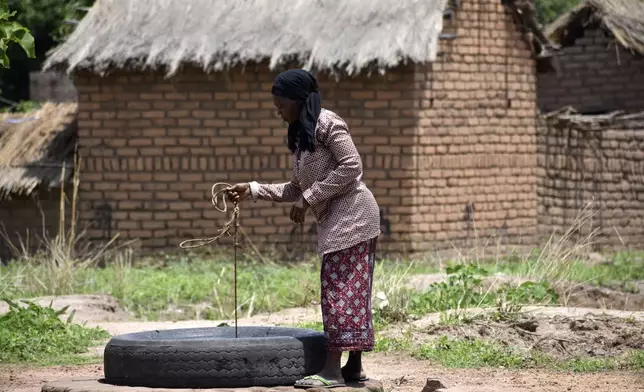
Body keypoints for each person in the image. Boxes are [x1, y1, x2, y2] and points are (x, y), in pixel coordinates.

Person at [226, 69, 381, 389]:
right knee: (349, 293)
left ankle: (332, 372)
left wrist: (310, 198)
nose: (277, 109)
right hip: (339, 222)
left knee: (341, 294)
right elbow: (295, 189)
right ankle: (353, 368)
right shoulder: (303, 137)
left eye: (280, 103)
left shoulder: (328, 123)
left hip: (354, 217)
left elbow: (352, 166)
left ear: (298, 100)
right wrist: (252, 189)